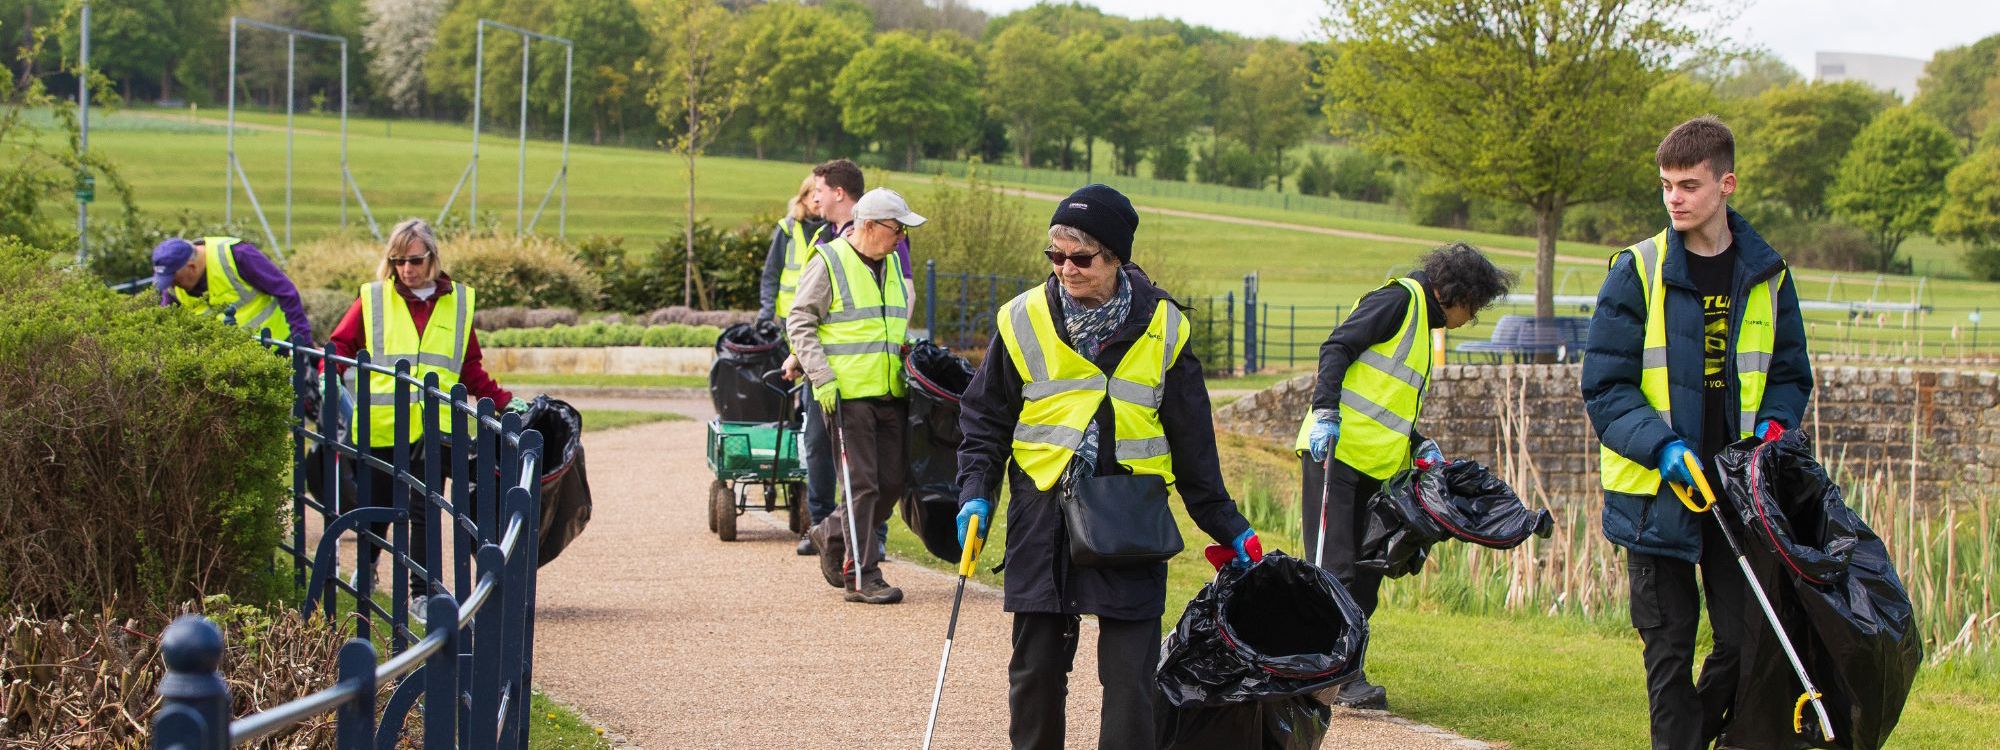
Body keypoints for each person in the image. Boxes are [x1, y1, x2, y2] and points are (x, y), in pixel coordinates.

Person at [955, 184, 1263, 749]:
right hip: (1042, 511)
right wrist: (975, 491)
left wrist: (1228, 525)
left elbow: (1194, 444)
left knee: (1129, 679)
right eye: (1055, 256)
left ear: (1116, 257)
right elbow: (985, 419)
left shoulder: (1166, 325)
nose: (1065, 269)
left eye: (1081, 257)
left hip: (1131, 515)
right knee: (1036, 671)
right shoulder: (1021, 317)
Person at [1581, 115, 1812, 750]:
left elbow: (1791, 373)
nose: (1674, 198)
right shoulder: (1638, 270)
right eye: (1665, 186)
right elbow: (1606, 387)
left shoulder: (1769, 273)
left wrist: (1774, 429)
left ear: (1726, 184)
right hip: (1659, 496)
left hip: (1739, 497)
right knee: (1669, 653)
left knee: (1743, 645)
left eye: (1688, 185)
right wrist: (1663, 446)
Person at [1295, 241, 1514, 710]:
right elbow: (1336, 347)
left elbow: (1387, 402)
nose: (1469, 318)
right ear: (1458, 293)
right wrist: (1324, 411)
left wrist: (1419, 445)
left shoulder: (1420, 326)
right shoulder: (1399, 301)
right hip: (1336, 453)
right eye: (1474, 307)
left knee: (1367, 570)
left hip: (1378, 464)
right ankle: (1320, 674)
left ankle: (1342, 673)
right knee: (1334, 569)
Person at [325, 218, 523, 610]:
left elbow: (469, 369)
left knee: (423, 508)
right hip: (382, 425)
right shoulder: (374, 298)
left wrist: (505, 402)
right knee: (377, 503)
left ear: (432, 257)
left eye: (414, 260)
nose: (406, 269)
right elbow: (338, 347)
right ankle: (367, 567)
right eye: (397, 261)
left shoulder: (459, 302)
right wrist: (324, 384)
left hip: (436, 428)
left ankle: (422, 593)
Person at [788, 188, 923, 604]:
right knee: (861, 485)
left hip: (889, 392)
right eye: (896, 227)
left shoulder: (893, 267)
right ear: (868, 225)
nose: (901, 235)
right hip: (846, 396)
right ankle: (862, 575)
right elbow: (799, 321)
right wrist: (821, 376)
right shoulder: (830, 261)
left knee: (893, 482)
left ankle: (830, 530)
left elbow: (889, 328)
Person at [151, 235, 314, 345]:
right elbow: (166, 324)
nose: (172, 286)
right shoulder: (173, 287)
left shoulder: (237, 255)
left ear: (191, 267)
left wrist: (303, 344)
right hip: (223, 365)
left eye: (174, 280)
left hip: (276, 347)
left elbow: (285, 291)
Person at [758, 173, 829, 324]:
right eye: (813, 194)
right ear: (803, 198)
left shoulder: (832, 229)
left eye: (821, 194)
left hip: (822, 310)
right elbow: (772, 271)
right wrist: (766, 311)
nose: (818, 199)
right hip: (790, 312)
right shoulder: (787, 228)